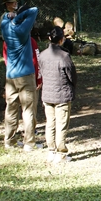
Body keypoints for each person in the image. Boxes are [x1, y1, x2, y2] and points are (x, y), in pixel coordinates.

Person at [1, 5, 41, 151]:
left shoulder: (5, 28)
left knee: (11, 108)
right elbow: (34, 10)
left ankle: (9, 141)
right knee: (28, 109)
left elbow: (4, 19)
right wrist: (20, 16)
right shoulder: (23, 32)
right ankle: (29, 143)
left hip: (10, 76)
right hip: (25, 75)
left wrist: (11, 15)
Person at [39, 26, 77, 163]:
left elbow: (41, 72)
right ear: (62, 40)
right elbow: (71, 75)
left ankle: (51, 151)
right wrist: (73, 85)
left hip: (47, 94)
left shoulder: (42, 54)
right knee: (61, 124)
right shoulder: (64, 56)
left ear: (50, 38)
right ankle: (60, 153)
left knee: (50, 123)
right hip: (62, 94)